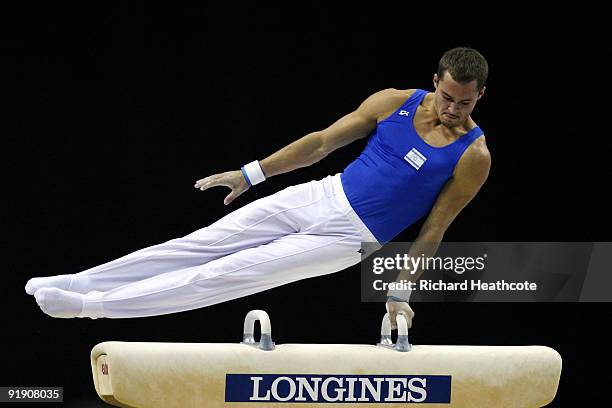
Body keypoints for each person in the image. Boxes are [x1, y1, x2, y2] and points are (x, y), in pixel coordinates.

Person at [25, 47, 490, 328]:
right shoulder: (395, 102)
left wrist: (401, 292)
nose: (453, 108)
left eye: (464, 102)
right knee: (197, 245)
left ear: (480, 95)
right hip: (321, 193)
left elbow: (435, 228)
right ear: (435, 81)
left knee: (227, 275)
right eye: (447, 97)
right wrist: (251, 174)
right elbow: (322, 142)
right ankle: (78, 281)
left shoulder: (472, 155)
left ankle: (92, 307)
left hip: (351, 238)